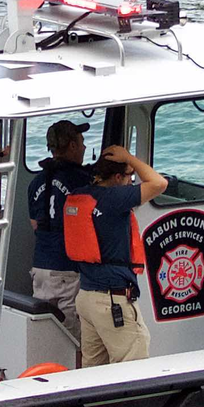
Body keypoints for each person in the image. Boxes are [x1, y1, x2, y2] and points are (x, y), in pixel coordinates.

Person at [69, 144, 166, 366]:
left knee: (93, 370)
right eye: (129, 176)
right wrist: (129, 157)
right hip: (112, 301)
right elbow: (159, 183)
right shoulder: (114, 198)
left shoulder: (79, 195)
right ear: (117, 177)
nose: (131, 182)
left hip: (87, 296)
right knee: (133, 365)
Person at [26, 119, 92, 344]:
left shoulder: (35, 182)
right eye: (81, 142)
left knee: (45, 329)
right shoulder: (81, 181)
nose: (84, 147)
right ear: (72, 146)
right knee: (72, 337)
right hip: (67, 270)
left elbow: (35, 224)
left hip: (40, 267)